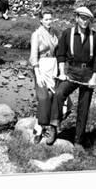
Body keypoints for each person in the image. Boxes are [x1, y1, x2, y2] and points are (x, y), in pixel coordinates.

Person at [47, 6, 96, 146]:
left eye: (87, 19)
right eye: (82, 18)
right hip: (71, 73)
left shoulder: (94, 36)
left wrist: (94, 78)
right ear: (77, 18)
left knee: (83, 108)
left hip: (87, 75)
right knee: (59, 93)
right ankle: (53, 127)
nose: (84, 21)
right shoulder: (68, 34)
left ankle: (78, 140)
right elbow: (60, 54)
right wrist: (62, 72)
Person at [29, 11, 59, 144]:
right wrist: (37, 73)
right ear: (41, 20)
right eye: (46, 19)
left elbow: (58, 51)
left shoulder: (53, 33)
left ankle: (45, 127)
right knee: (44, 97)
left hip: (53, 67)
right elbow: (33, 55)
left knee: (53, 97)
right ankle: (39, 128)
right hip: (41, 67)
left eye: (50, 19)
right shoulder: (36, 34)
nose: (49, 21)